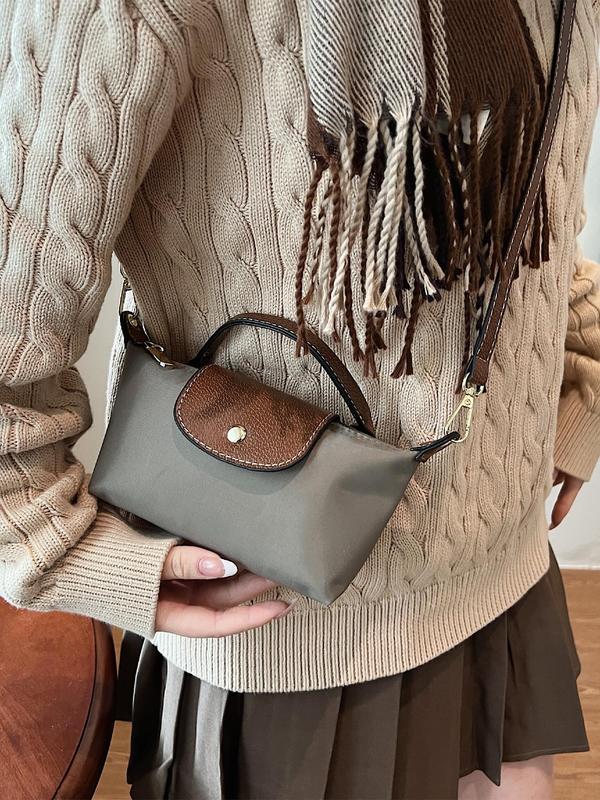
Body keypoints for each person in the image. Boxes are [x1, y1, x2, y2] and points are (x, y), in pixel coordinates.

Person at [1, 1, 599, 798]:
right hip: (274, 643)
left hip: (508, 582)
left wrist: (579, 365)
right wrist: (48, 543)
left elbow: (529, 184)